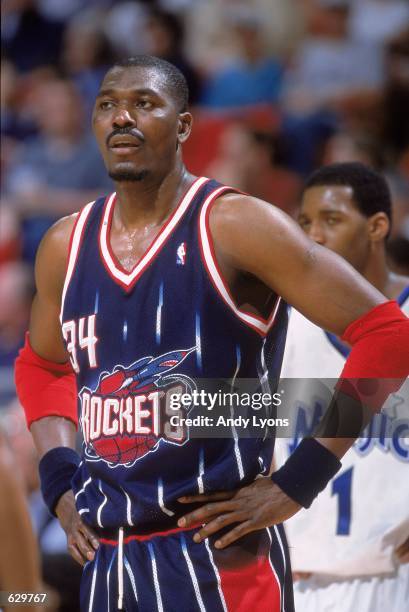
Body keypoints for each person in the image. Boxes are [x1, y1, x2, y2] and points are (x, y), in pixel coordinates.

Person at [14, 56, 409, 611]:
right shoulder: (65, 244)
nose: (122, 117)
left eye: (144, 104)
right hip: (109, 564)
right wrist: (58, 478)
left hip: (218, 560)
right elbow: (43, 365)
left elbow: (389, 333)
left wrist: (299, 480)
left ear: (183, 126)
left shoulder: (236, 224)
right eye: (107, 105)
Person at [277, 162, 409, 611]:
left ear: (377, 227)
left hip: (396, 573)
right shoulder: (282, 327)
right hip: (301, 579)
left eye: (331, 221)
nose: (313, 237)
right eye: (305, 223)